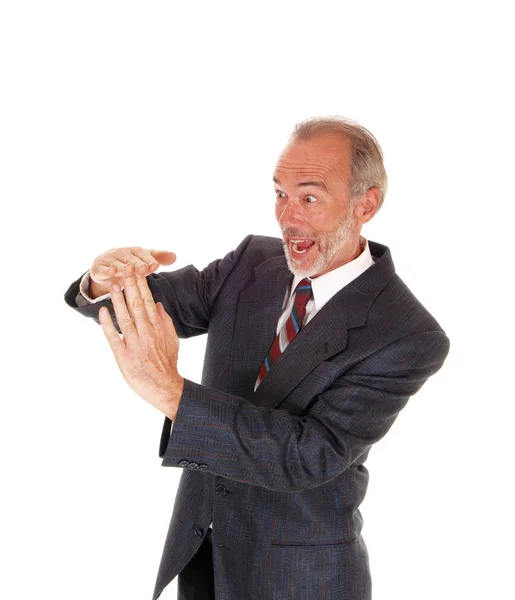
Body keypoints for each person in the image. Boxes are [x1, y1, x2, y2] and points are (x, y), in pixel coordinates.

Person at [64, 116, 450, 600]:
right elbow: (153, 304)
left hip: (299, 577)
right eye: (280, 193)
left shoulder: (407, 334)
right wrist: (105, 282)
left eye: (309, 197)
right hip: (203, 549)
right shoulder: (252, 261)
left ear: (365, 204)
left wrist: (171, 393)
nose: (287, 217)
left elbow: (308, 455)